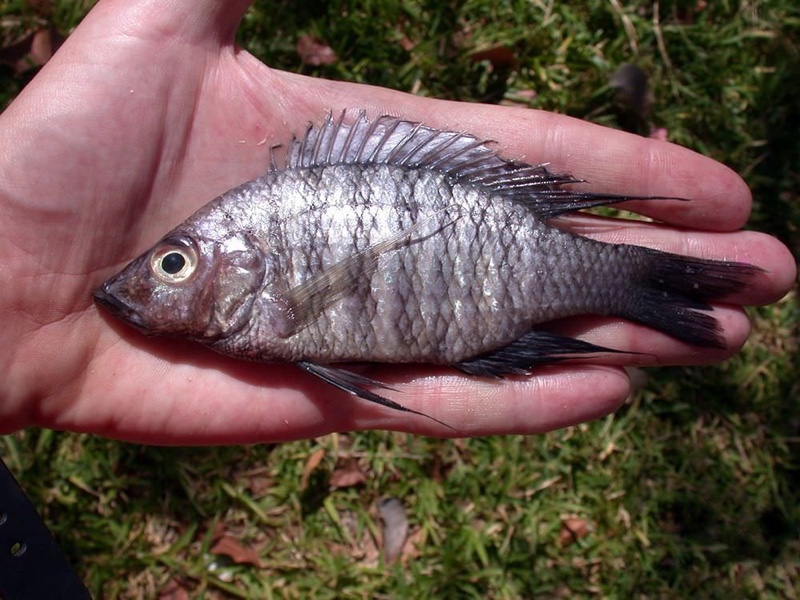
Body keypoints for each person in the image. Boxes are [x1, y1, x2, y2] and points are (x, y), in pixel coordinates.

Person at [0, 0, 794, 444]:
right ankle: (652, 286)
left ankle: (642, 282)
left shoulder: (262, 268)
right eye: (172, 266)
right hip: (479, 294)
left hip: (493, 264)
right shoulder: (255, 270)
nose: (153, 277)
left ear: (237, 263)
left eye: (175, 263)